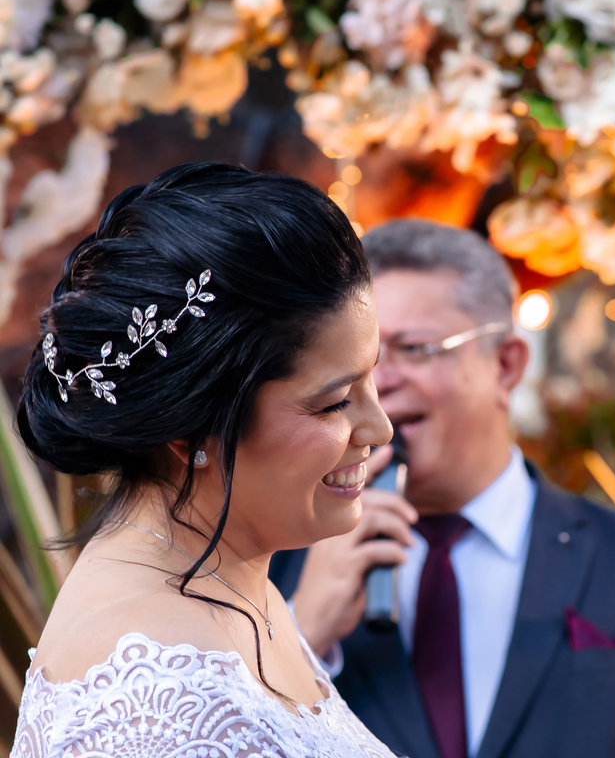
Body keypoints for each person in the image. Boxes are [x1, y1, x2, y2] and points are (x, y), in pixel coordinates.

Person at [270, 219, 615, 758]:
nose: (379, 383)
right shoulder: (272, 573)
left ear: (506, 365)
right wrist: (303, 634)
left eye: (413, 348)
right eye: (359, 361)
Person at [13, 163, 402, 758]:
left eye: (370, 380)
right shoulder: (159, 703)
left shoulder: (232, 583)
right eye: (334, 403)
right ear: (193, 427)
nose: (379, 427)